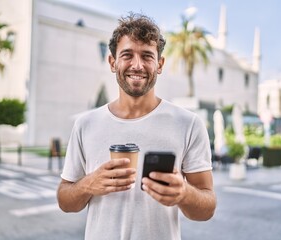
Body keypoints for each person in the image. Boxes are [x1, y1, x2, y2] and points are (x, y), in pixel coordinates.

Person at [57, 12, 216, 240]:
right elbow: (65, 200)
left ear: (159, 64)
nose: (137, 65)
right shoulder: (85, 124)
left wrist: (184, 193)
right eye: (127, 55)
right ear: (113, 62)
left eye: (147, 56)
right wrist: (88, 185)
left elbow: (207, 208)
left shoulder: (188, 124)